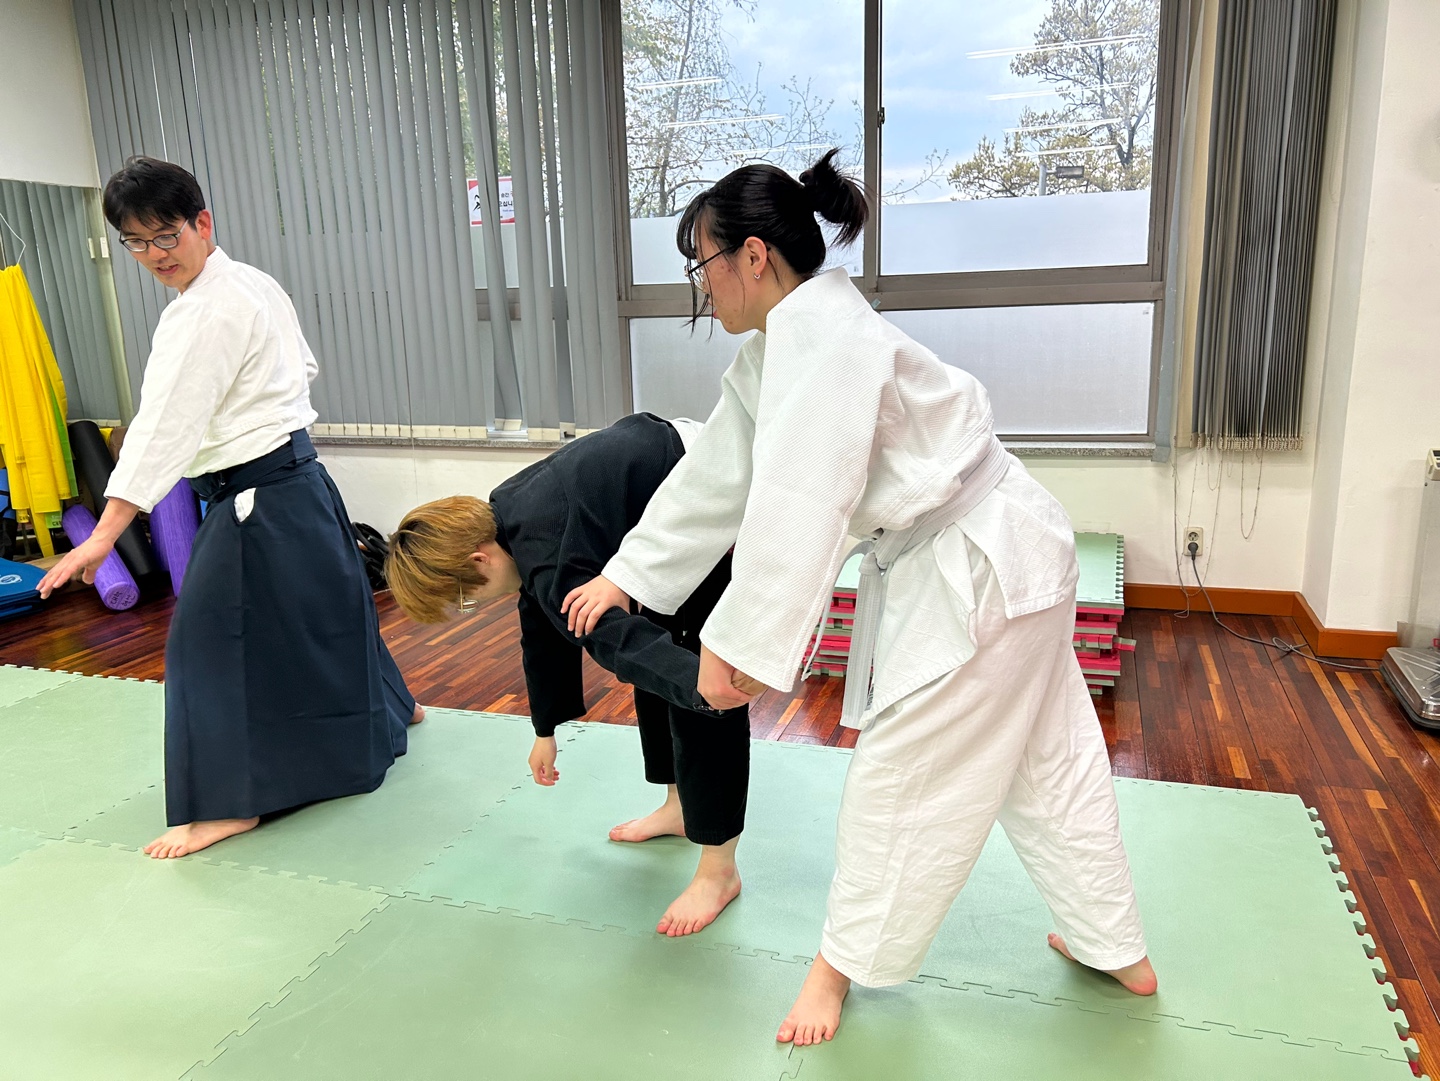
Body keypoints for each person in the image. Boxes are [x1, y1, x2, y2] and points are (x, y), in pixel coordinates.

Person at [562, 149, 1157, 1046]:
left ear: (753, 255)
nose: (701, 287)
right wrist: (628, 574)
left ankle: (834, 970)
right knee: (1049, 760)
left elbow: (800, 501)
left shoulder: (826, 344)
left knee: (901, 778)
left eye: (703, 262)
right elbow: (717, 475)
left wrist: (735, 651)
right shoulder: (784, 348)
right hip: (1013, 551)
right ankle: (1116, 944)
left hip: (976, 569)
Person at [38, 156, 419, 859]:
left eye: (166, 235)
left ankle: (230, 804)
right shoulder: (252, 281)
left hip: (254, 500)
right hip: (302, 482)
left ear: (202, 222)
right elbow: (303, 366)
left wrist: (104, 535)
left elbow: (162, 430)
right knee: (326, 615)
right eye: (136, 242)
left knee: (204, 648)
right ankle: (394, 712)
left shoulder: (201, 313)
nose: (154, 255)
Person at [384, 412, 754, 936]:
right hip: (658, 485)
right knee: (655, 663)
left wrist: (706, 689)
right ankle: (679, 807)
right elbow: (541, 628)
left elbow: (610, 641)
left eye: (464, 600)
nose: (473, 608)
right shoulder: (505, 515)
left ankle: (719, 871)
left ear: (479, 559)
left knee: (692, 684)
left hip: (707, 484)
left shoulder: (545, 551)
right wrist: (545, 729)